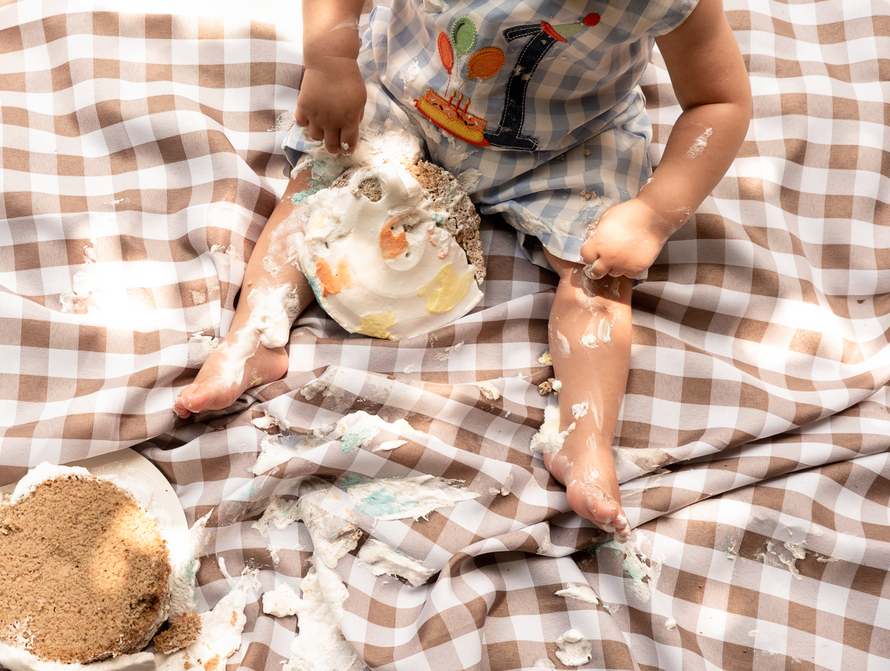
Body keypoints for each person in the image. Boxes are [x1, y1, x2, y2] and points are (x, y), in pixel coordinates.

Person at [175, 0, 751, 541]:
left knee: (598, 278)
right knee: (318, 189)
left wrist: (652, 215)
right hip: (406, 96)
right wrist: (329, 60)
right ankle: (255, 336)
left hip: (567, 143)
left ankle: (584, 436)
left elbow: (719, 102)